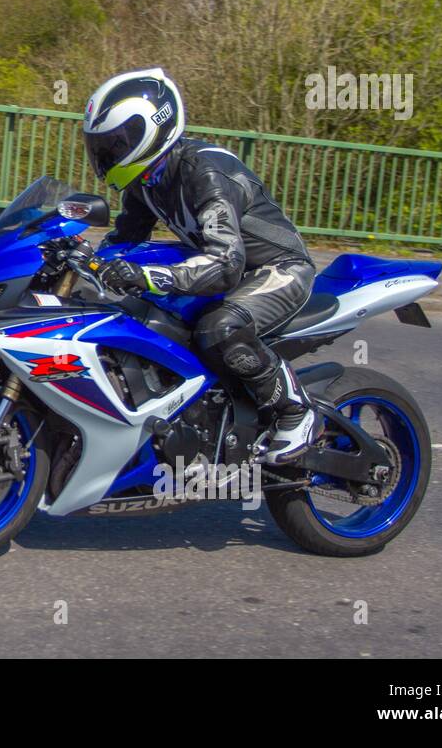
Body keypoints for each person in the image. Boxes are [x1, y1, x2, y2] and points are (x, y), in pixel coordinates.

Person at [81, 67, 318, 464]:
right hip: (228, 270)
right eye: (103, 145)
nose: (109, 154)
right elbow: (124, 239)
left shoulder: (204, 172)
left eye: (118, 142)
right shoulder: (147, 181)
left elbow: (225, 262)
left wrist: (147, 277)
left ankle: (295, 411)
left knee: (218, 329)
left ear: (153, 128)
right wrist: (83, 263)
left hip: (278, 270)